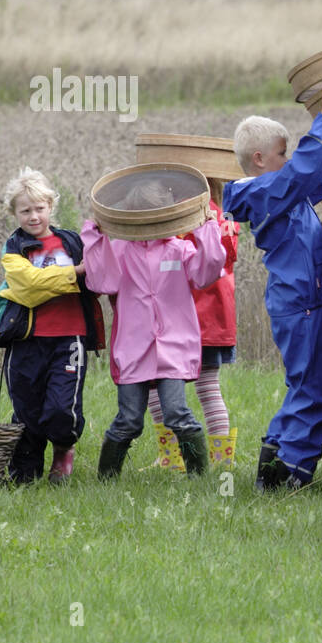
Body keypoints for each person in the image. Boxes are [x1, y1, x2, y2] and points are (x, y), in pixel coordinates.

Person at [223, 81, 322, 490]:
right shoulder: (264, 192)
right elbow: (302, 171)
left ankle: (272, 465)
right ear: (260, 159)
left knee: (304, 385)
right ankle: (290, 477)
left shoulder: (280, 191)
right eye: (283, 152)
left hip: (303, 301)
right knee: (316, 392)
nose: (290, 157)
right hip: (301, 303)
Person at [80, 200, 225, 478]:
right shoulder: (120, 250)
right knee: (129, 420)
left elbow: (208, 272)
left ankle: (198, 476)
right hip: (133, 348)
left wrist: (207, 228)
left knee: (177, 413)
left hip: (174, 346)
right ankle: (106, 479)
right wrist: (95, 237)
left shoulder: (180, 249)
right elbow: (102, 283)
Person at [0, 167, 105, 484]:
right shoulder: (14, 247)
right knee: (27, 412)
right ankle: (24, 476)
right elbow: (26, 286)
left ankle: (63, 449)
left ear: (51, 206)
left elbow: (97, 277)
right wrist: (73, 274)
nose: (33, 216)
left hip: (69, 339)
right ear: (14, 213)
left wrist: (80, 271)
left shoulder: (71, 242)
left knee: (60, 408)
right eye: (25, 210)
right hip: (26, 340)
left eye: (39, 208)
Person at [147, 186, 241, 470]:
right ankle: (222, 461)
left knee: (155, 386)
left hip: (184, 319)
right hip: (216, 320)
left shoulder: (182, 212)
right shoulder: (223, 214)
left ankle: (171, 458)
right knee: (209, 388)